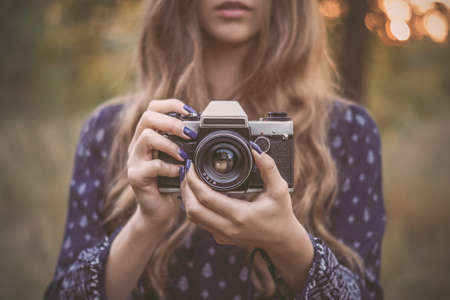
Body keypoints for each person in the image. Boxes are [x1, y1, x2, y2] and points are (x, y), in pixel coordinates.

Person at [44, 0, 386, 299]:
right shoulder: (114, 131)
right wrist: (146, 224)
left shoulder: (345, 131)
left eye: (232, 150)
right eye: (212, 149)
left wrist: (287, 241)